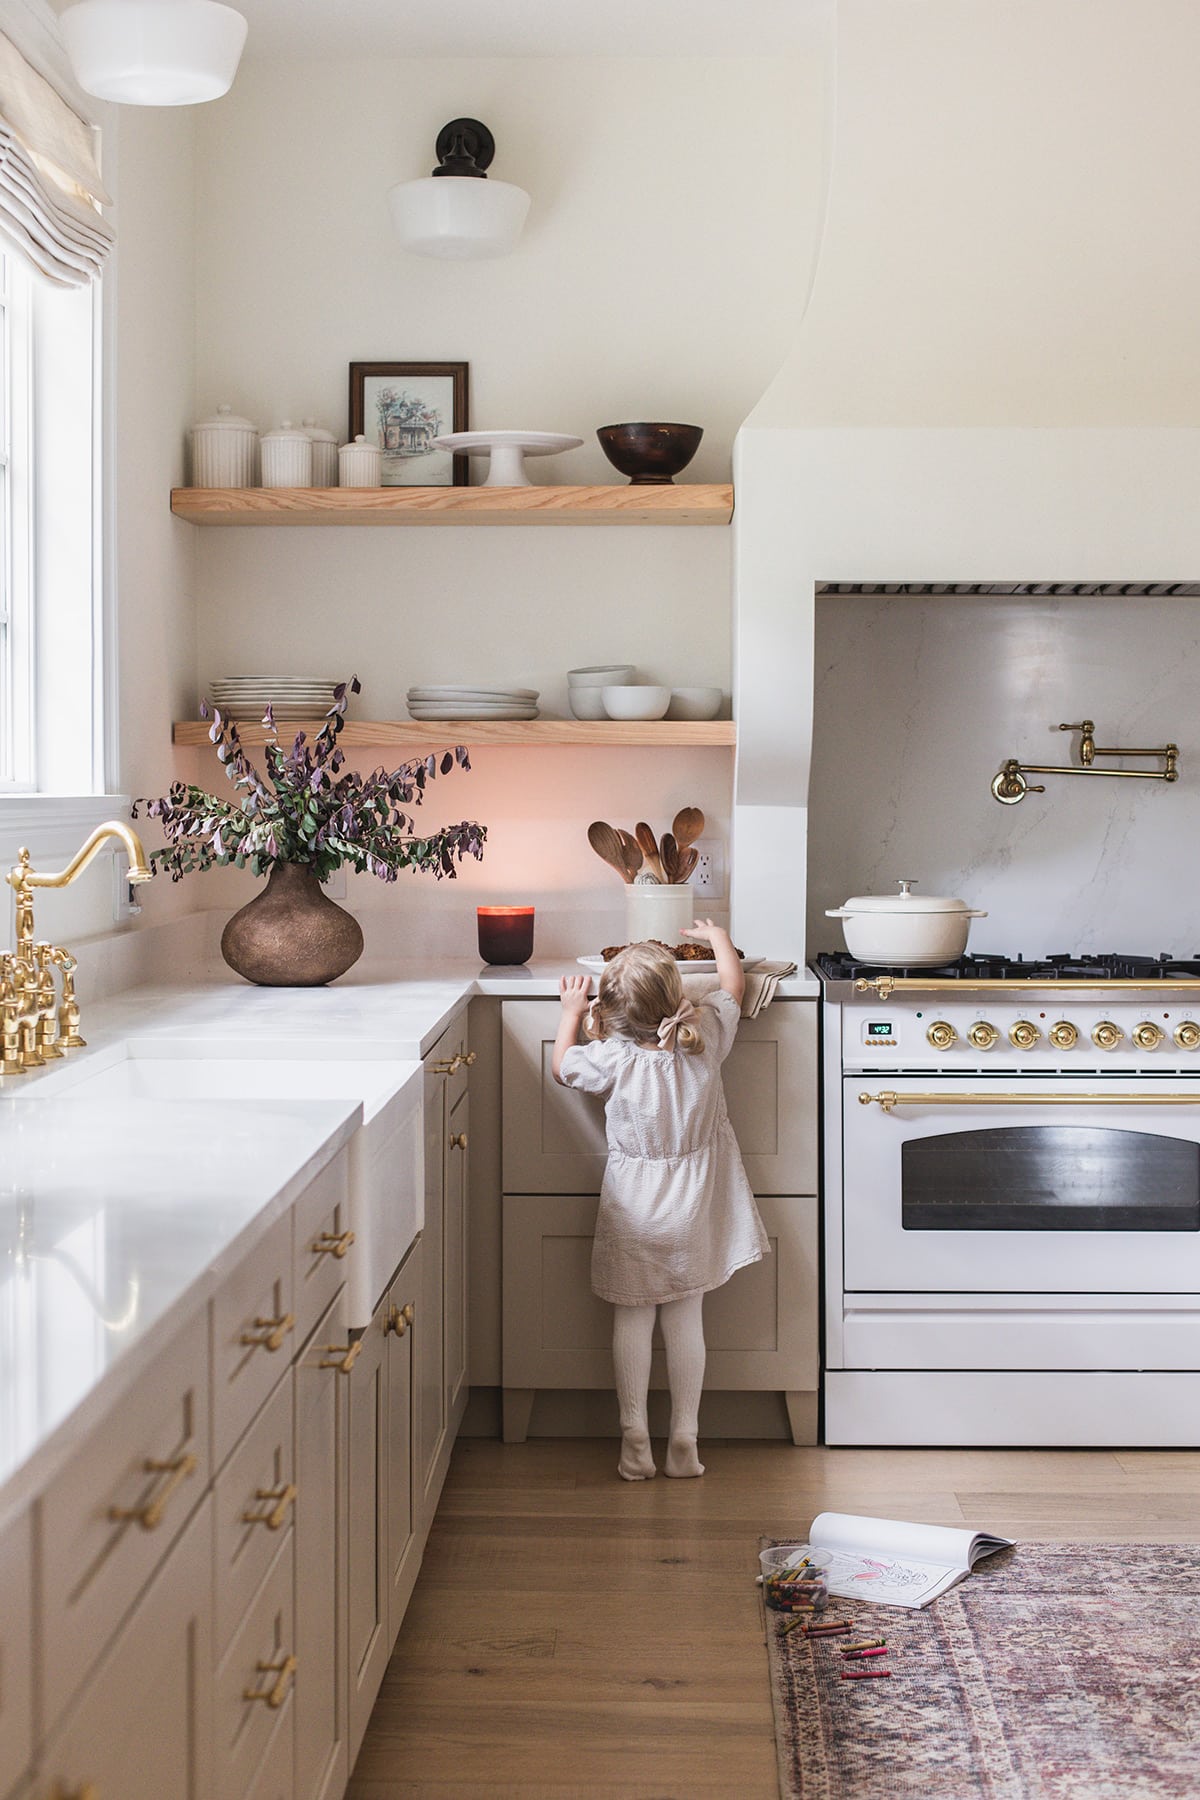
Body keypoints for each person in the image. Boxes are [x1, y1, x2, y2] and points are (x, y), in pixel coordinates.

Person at [552, 919, 768, 1480]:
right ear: (678, 997)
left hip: (634, 1207)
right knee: (686, 1317)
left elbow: (562, 1067)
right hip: (694, 1205)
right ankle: (685, 1441)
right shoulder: (707, 1037)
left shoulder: (614, 1059)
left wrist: (572, 1011)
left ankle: (633, 1440)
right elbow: (733, 987)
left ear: (613, 1012)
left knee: (632, 1318)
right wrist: (718, 936)